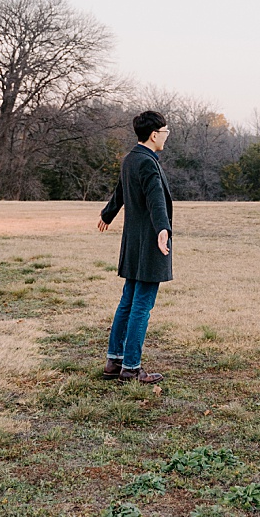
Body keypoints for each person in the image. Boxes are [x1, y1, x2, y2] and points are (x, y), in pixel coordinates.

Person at [97, 110, 173, 383]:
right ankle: (131, 367)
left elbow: (119, 191)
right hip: (150, 241)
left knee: (127, 302)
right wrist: (163, 229)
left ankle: (113, 362)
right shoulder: (148, 163)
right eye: (165, 132)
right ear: (154, 135)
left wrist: (108, 213)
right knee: (141, 305)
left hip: (133, 242)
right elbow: (156, 200)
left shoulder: (131, 159)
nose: (166, 136)